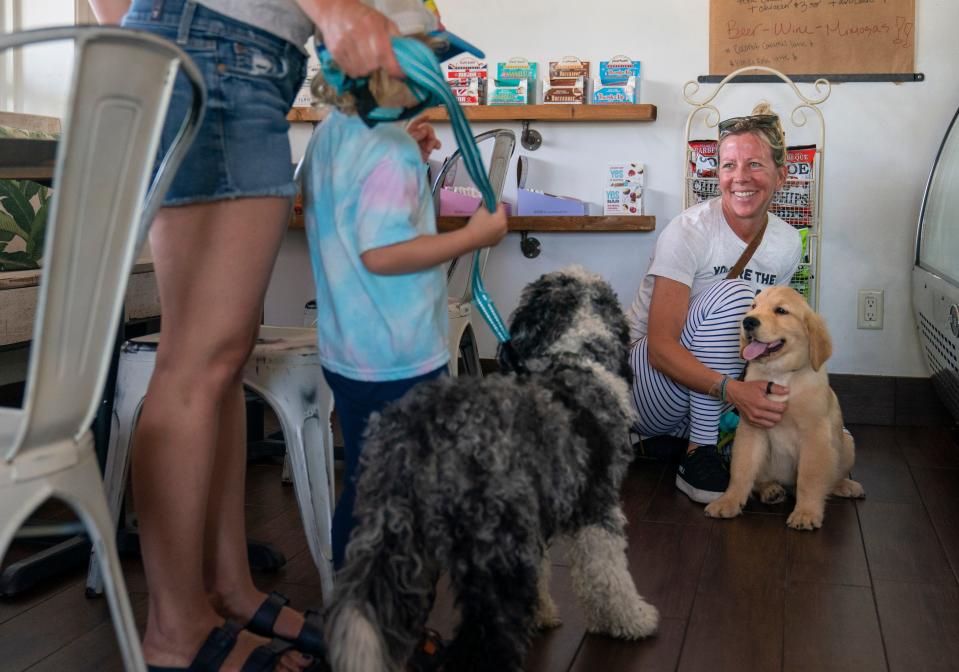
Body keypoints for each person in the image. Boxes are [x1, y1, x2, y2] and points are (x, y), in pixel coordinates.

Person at [87, 0, 403, 669]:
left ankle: (228, 590)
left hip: (229, 54)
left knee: (224, 357)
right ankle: (176, 632)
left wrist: (157, 29)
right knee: (198, 361)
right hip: (219, 54)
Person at [300, 42, 508, 570]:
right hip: (399, 356)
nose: (433, 76)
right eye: (424, 65)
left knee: (369, 485)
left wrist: (406, 153)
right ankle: (386, 627)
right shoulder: (388, 150)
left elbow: (351, 218)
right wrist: (473, 235)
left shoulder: (329, 134)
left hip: (348, 350)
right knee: (403, 498)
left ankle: (358, 619)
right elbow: (383, 254)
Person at [626, 102, 803, 505]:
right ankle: (699, 453)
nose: (740, 178)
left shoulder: (788, 243)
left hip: (704, 398)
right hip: (643, 386)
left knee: (825, 436)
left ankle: (686, 440)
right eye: (728, 166)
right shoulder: (689, 232)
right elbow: (659, 349)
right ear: (717, 173)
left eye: (755, 164)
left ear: (781, 174)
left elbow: (771, 344)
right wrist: (736, 393)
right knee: (740, 297)